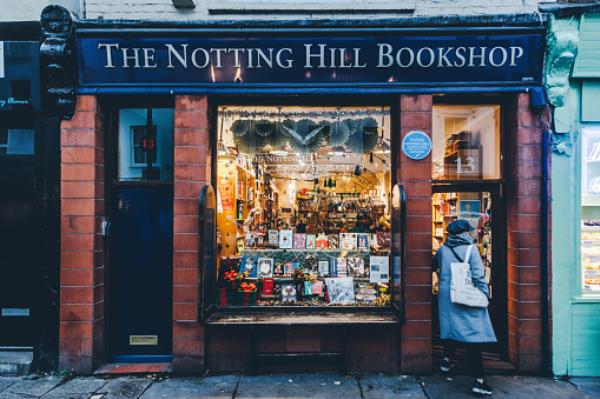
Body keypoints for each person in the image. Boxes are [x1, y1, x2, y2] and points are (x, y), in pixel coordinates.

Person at [433, 219, 496, 396]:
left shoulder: (443, 250)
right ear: (465, 233)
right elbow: (478, 276)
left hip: (447, 297)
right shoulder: (471, 249)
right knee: (472, 336)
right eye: (469, 231)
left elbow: (432, 265)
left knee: (452, 327)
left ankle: (446, 361)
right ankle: (479, 380)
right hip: (466, 295)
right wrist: (484, 295)